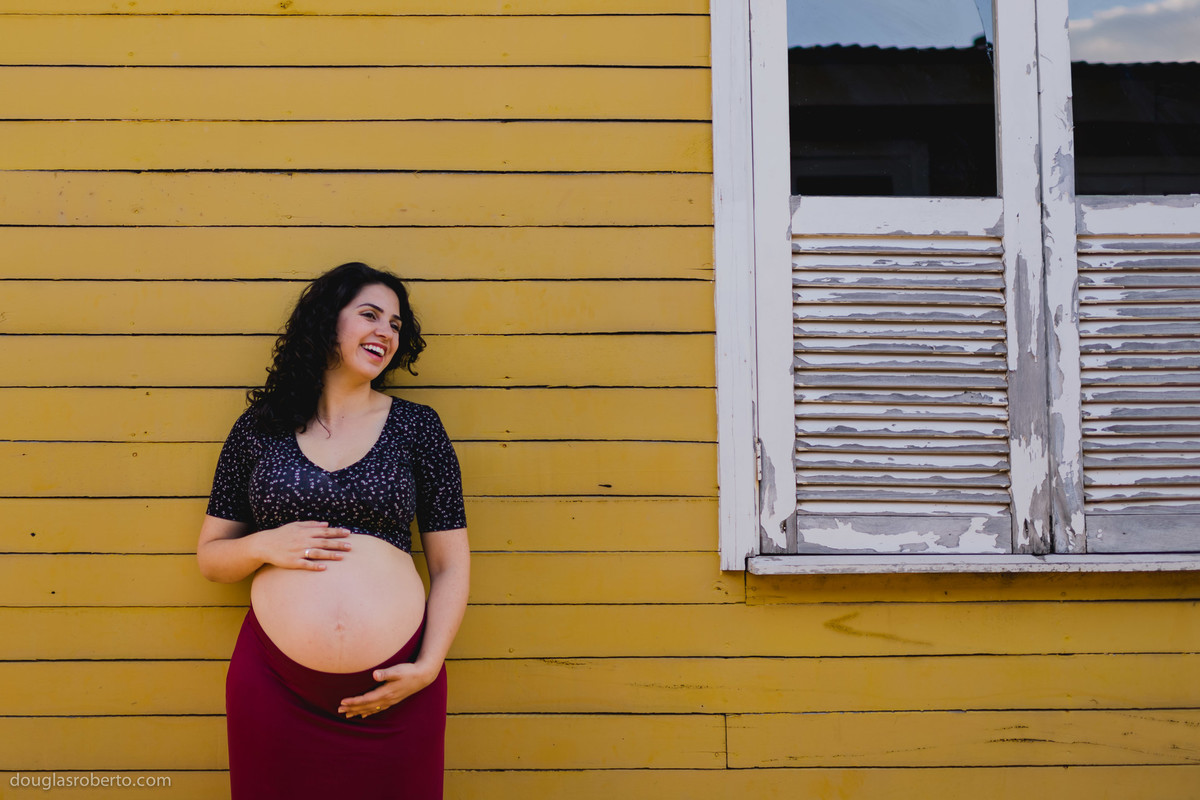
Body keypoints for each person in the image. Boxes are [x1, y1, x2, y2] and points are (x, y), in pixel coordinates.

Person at [196, 262, 470, 800]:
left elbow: (450, 563)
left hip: (398, 688)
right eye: (370, 314)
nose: (385, 333)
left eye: (395, 324)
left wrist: (427, 667)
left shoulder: (418, 427)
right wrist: (262, 544)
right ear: (327, 322)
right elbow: (211, 558)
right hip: (276, 688)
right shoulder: (260, 428)